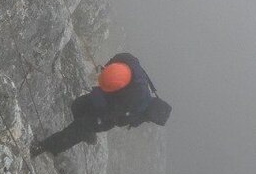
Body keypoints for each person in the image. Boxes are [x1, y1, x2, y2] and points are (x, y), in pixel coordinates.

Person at [30, 52, 171, 157]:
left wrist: (97, 100)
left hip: (107, 116)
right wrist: (107, 68)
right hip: (109, 100)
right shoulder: (132, 70)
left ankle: (42, 147)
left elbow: (113, 116)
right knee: (77, 106)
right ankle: (86, 134)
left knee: (77, 129)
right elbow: (126, 57)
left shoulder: (135, 103)